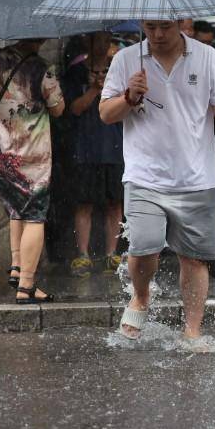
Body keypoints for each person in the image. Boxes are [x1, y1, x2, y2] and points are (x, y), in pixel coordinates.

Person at [100, 20, 215, 348]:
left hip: (196, 177)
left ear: (180, 23)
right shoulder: (126, 60)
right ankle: (140, 296)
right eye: (150, 27)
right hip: (143, 175)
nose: (157, 35)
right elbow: (106, 114)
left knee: (194, 258)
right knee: (144, 246)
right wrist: (129, 96)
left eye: (164, 27)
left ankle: (191, 330)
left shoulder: (208, 58)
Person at [0, 38, 65, 303]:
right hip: (30, 157)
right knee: (35, 215)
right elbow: (58, 108)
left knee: (15, 207)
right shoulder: (41, 68)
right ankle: (26, 285)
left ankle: (18, 268)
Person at [62, 31, 124, 277]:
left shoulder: (119, 69)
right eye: (98, 39)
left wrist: (109, 87)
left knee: (114, 203)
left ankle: (111, 253)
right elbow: (74, 109)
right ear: (88, 41)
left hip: (114, 146)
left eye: (107, 39)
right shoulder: (76, 72)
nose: (103, 44)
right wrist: (93, 90)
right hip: (85, 147)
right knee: (84, 203)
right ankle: (83, 255)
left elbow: (128, 104)